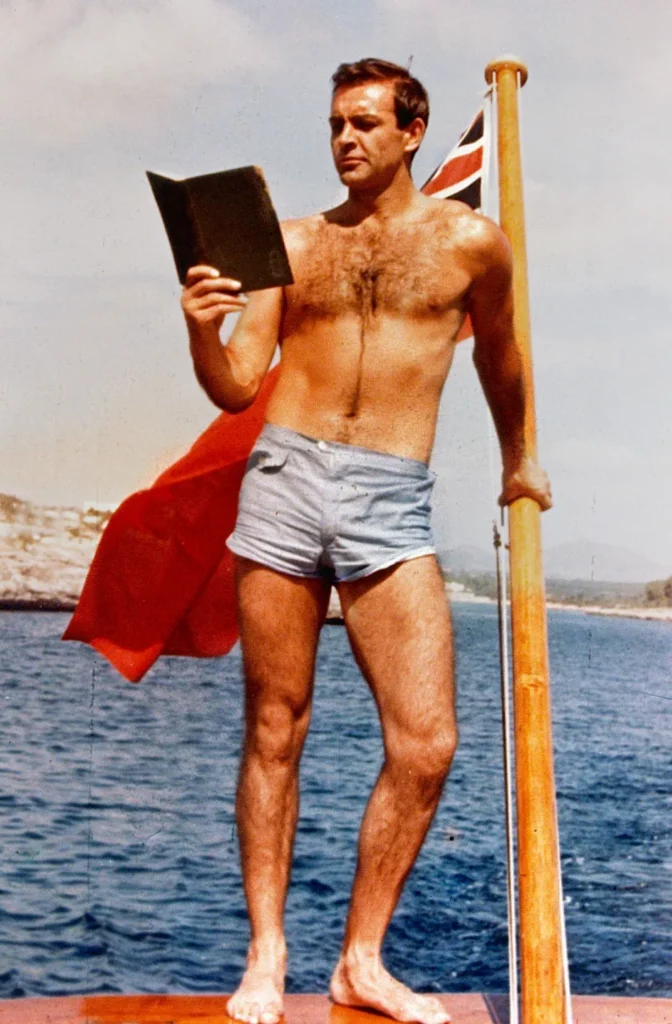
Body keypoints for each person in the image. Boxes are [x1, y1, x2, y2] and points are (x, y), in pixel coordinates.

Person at [180, 58, 551, 1024]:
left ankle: (361, 960)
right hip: (286, 480)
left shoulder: (474, 245)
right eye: (335, 124)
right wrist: (200, 331)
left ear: (413, 131)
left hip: (391, 496)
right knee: (275, 727)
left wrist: (522, 461)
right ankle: (266, 957)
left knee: (426, 743)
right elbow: (237, 383)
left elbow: (504, 363)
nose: (346, 139)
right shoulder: (291, 244)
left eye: (365, 123)